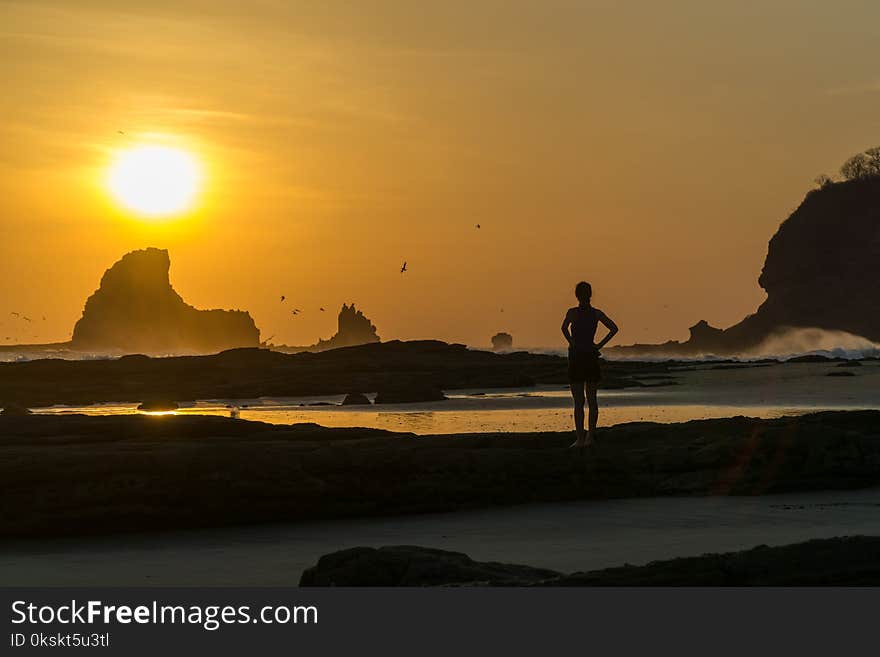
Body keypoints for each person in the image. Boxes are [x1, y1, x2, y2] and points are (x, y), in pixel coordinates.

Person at [561, 281, 618, 447]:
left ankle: (580, 438)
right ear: (590, 294)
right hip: (590, 356)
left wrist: (571, 342)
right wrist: (599, 345)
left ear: (576, 295)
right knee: (592, 400)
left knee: (579, 401)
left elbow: (563, 328)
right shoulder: (596, 313)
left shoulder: (572, 312)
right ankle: (590, 437)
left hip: (577, 357)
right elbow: (614, 328)